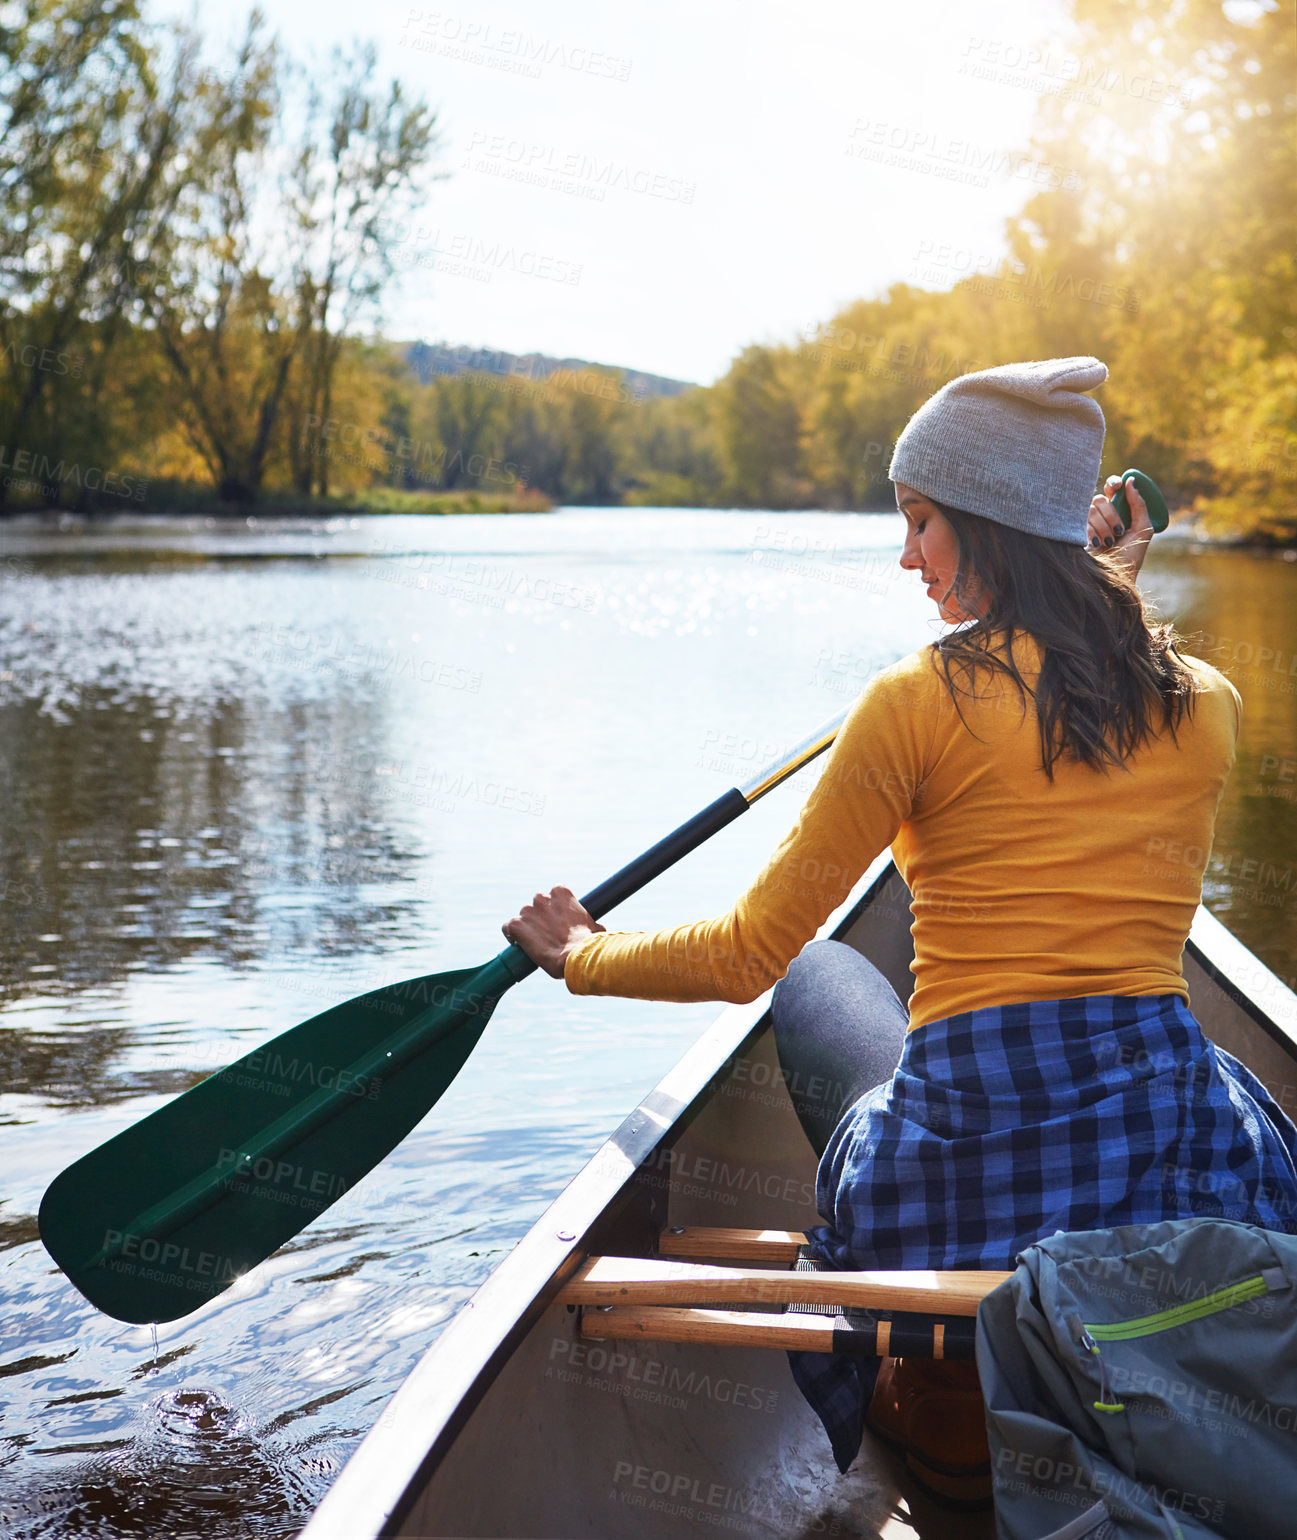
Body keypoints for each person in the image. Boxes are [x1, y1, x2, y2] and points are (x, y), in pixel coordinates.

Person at [501, 356, 1297, 1498]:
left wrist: (581, 955)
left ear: (987, 521)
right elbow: (1090, 676)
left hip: (963, 1173)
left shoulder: (909, 703)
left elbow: (743, 958)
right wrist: (1091, 580)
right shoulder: (1204, 706)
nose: (905, 555)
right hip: (1172, 1157)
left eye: (920, 521)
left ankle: (943, 1404)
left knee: (820, 973)